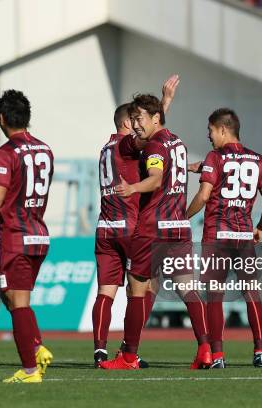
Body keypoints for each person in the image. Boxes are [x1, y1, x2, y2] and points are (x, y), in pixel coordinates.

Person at [100, 94, 211, 370]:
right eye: (133, 119)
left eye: (139, 119)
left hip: (151, 230)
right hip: (178, 227)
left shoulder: (153, 147)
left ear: (155, 119)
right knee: (189, 290)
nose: (136, 124)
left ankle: (128, 357)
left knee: (136, 289)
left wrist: (134, 188)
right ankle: (207, 350)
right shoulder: (178, 143)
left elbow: (156, 177)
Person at [92, 76, 183, 367]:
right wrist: (165, 102)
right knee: (144, 287)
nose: (138, 125)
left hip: (105, 226)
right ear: (126, 124)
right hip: (131, 225)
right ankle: (129, 349)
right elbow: (152, 139)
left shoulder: (105, 149)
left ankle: (99, 350)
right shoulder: (126, 145)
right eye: (135, 120)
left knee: (106, 291)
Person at [0, 90, 54, 384]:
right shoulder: (45, 150)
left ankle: (30, 370)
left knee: (17, 301)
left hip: (16, 236)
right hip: (39, 234)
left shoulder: (5, 153)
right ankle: (37, 347)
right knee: (13, 296)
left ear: (2, 119)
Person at [187, 108, 262, 368]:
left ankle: (218, 355)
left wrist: (183, 216)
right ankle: (260, 351)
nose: (209, 136)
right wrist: (260, 226)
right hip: (244, 235)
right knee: (252, 294)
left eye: (211, 130)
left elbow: (204, 196)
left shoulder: (215, 157)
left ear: (223, 129)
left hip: (217, 235)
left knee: (215, 295)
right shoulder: (258, 160)